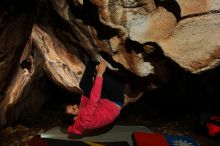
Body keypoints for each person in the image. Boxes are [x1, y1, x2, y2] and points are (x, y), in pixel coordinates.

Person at [65, 60, 125, 135]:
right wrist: (99, 74)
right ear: (75, 118)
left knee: (83, 85)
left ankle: (91, 61)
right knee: (102, 74)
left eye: (72, 105)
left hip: (105, 102)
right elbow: (94, 99)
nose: (75, 105)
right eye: (73, 109)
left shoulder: (80, 116)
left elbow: (85, 98)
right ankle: (97, 64)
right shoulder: (84, 119)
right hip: (116, 101)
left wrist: (90, 81)